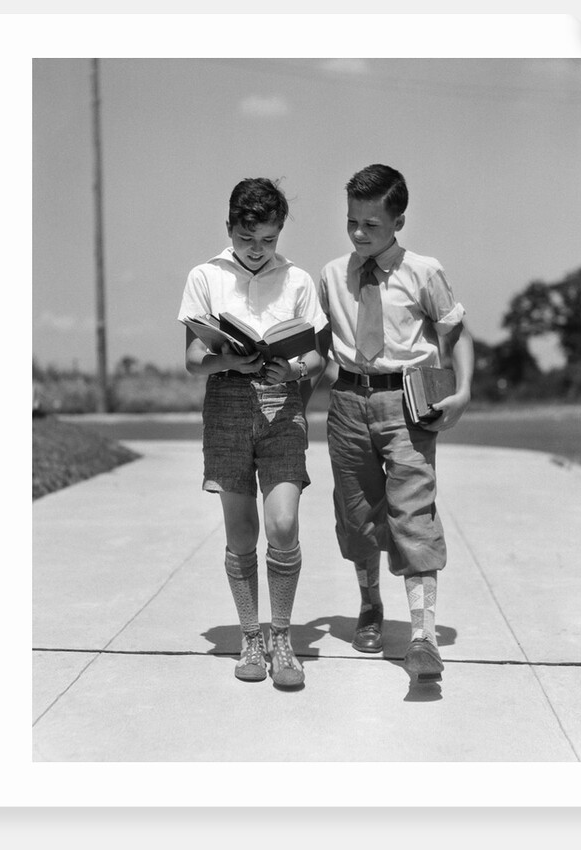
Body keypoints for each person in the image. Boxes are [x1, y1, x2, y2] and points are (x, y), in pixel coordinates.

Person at [318, 163, 473, 684]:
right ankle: (370, 606)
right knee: (357, 516)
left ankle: (423, 636)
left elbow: (456, 333)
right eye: (352, 222)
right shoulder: (331, 275)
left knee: (413, 512)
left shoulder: (424, 272)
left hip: (407, 403)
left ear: (399, 221)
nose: (359, 234)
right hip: (347, 402)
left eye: (372, 225)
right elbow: (318, 348)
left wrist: (464, 392)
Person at [178, 177, 327, 688]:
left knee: (282, 524)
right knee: (242, 531)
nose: (258, 249)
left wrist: (294, 369)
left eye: (268, 239)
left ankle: (282, 638)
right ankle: (250, 638)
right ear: (229, 228)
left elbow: (316, 357)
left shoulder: (298, 280)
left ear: (279, 231)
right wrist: (229, 360)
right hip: (227, 405)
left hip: (282, 406)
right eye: (247, 239)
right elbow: (193, 359)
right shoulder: (204, 276)